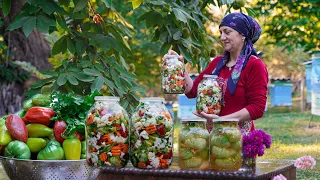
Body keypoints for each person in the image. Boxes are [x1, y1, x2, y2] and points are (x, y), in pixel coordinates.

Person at [165, 12, 268, 134]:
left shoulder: (254, 65)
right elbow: (192, 91)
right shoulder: (217, 63)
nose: (222, 38)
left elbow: (257, 108)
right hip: (213, 136)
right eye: (221, 33)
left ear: (243, 35)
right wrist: (179, 66)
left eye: (227, 32)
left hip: (238, 138)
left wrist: (222, 121)